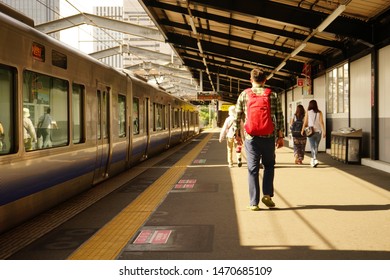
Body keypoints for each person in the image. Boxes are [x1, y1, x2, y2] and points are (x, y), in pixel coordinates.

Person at [235, 68, 285, 210]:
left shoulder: (244, 94)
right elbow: (279, 117)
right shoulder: (272, 95)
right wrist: (280, 137)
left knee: (252, 169)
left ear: (251, 80)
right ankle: (267, 195)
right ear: (265, 80)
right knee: (269, 166)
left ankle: (253, 203)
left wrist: (237, 134)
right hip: (268, 137)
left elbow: (237, 116)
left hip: (251, 138)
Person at [301, 100, 326, 167]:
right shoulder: (319, 112)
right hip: (318, 132)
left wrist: (302, 130)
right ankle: (314, 159)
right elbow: (321, 122)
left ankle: (314, 159)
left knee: (312, 146)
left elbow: (305, 122)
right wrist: (324, 131)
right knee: (316, 146)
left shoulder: (308, 112)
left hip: (310, 132)